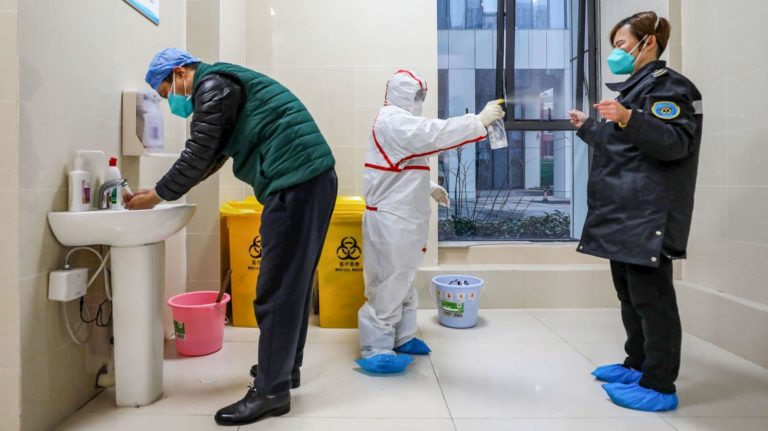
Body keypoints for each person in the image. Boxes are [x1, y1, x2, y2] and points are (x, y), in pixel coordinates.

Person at [130, 48, 337, 426]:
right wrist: (161, 192)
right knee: (293, 283)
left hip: (296, 181)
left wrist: (157, 194)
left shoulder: (212, 87)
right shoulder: (223, 85)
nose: (171, 102)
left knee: (276, 289)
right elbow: (210, 159)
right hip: (309, 178)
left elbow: (197, 153)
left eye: (166, 91)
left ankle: (272, 393)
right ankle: (285, 370)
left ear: (180, 73)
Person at [568, 11, 702, 412]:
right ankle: (638, 362)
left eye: (622, 45)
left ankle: (659, 384)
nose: (615, 53)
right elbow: (626, 145)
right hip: (625, 214)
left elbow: (674, 143)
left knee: (652, 300)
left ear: (649, 43)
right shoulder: (636, 90)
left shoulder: (670, 88)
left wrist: (627, 117)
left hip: (648, 216)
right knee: (628, 294)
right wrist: (589, 127)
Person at [356, 69, 504, 374]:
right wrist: (477, 121)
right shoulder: (391, 120)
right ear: (400, 94)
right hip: (391, 218)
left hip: (404, 216)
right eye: (416, 95)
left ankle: (402, 337)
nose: (420, 100)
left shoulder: (398, 122)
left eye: (423, 95)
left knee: (404, 279)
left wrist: (429, 186)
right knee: (390, 282)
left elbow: (399, 167)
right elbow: (431, 135)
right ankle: (376, 347)